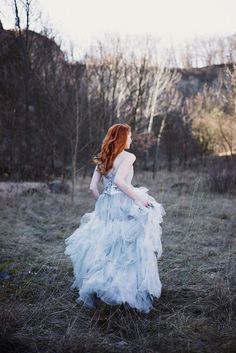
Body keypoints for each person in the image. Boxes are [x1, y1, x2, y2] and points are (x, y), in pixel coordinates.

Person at [65, 123, 166, 313]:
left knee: (105, 246)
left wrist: (103, 202)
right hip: (124, 202)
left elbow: (93, 188)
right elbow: (120, 182)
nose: (131, 139)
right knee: (127, 248)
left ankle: (100, 286)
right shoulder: (129, 156)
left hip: (106, 204)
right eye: (129, 136)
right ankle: (123, 292)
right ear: (122, 138)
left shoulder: (102, 157)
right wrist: (139, 199)